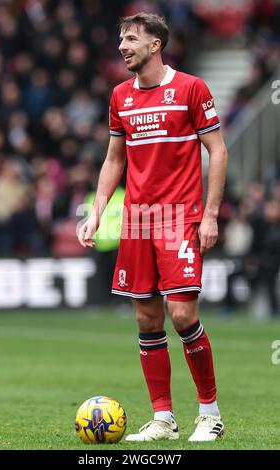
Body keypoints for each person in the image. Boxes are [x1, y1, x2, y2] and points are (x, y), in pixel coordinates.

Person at [78, 12, 228, 442]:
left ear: (155, 44)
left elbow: (216, 151)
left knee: (182, 314)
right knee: (147, 319)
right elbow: (114, 159)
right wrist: (97, 211)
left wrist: (211, 213)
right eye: (120, 38)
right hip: (138, 221)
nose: (122, 46)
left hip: (179, 216)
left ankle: (209, 413)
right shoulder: (120, 96)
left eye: (130, 39)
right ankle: (163, 419)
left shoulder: (190, 89)